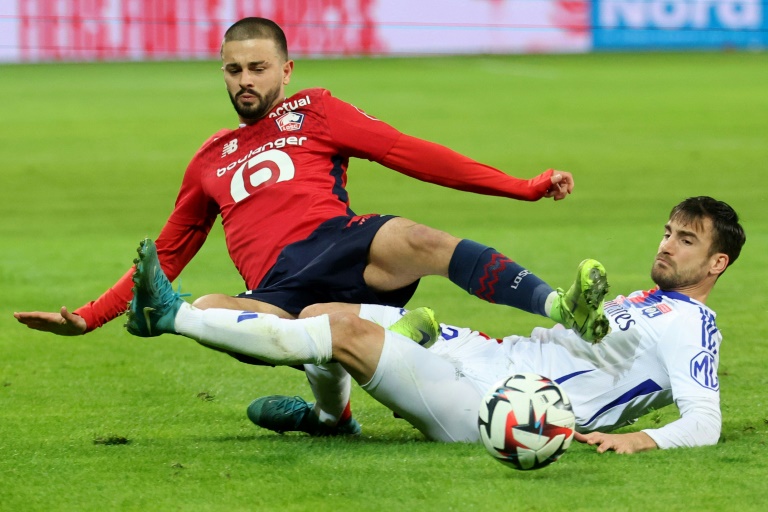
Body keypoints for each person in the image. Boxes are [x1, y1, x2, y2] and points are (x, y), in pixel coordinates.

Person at [15, 17, 588, 435]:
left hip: (343, 245)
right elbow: (163, 258)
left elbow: (407, 152)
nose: (246, 80)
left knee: (416, 237)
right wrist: (88, 319)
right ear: (222, 72)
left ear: (285, 71)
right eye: (234, 69)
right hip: (280, 287)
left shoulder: (314, 110)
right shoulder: (208, 160)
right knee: (212, 311)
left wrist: (521, 186)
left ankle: (557, 305)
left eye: (258, 68)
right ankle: (332, 414)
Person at [125, 196, 745, 453]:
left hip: (503, 409)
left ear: (716, 263)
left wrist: (637, 440)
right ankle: (329, 418)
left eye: (685, 241)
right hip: (487, 355)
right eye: (667, 232)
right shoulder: (646, 299)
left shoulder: (693, 325)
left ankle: (171, 314)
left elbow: (705, 421)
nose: (667, 246)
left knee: (345, 337)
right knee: (318, 314)